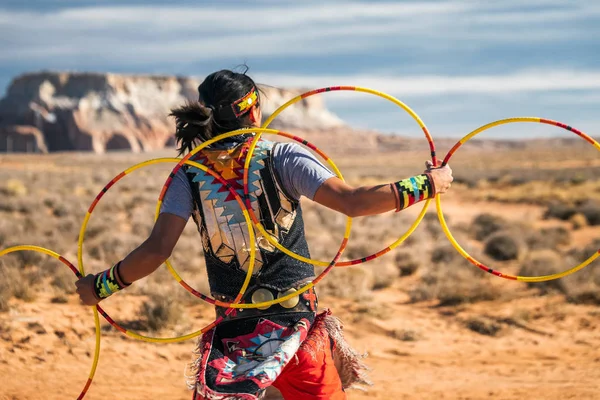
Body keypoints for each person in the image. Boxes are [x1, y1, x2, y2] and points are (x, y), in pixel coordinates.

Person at [76, 68, 453, 400]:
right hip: (298, 336)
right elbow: (353, 202)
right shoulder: (281, 157)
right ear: (253, 110)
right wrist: (427, 184)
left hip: (234, 344)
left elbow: (157, 250)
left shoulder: (187, 175)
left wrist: (101, 286)